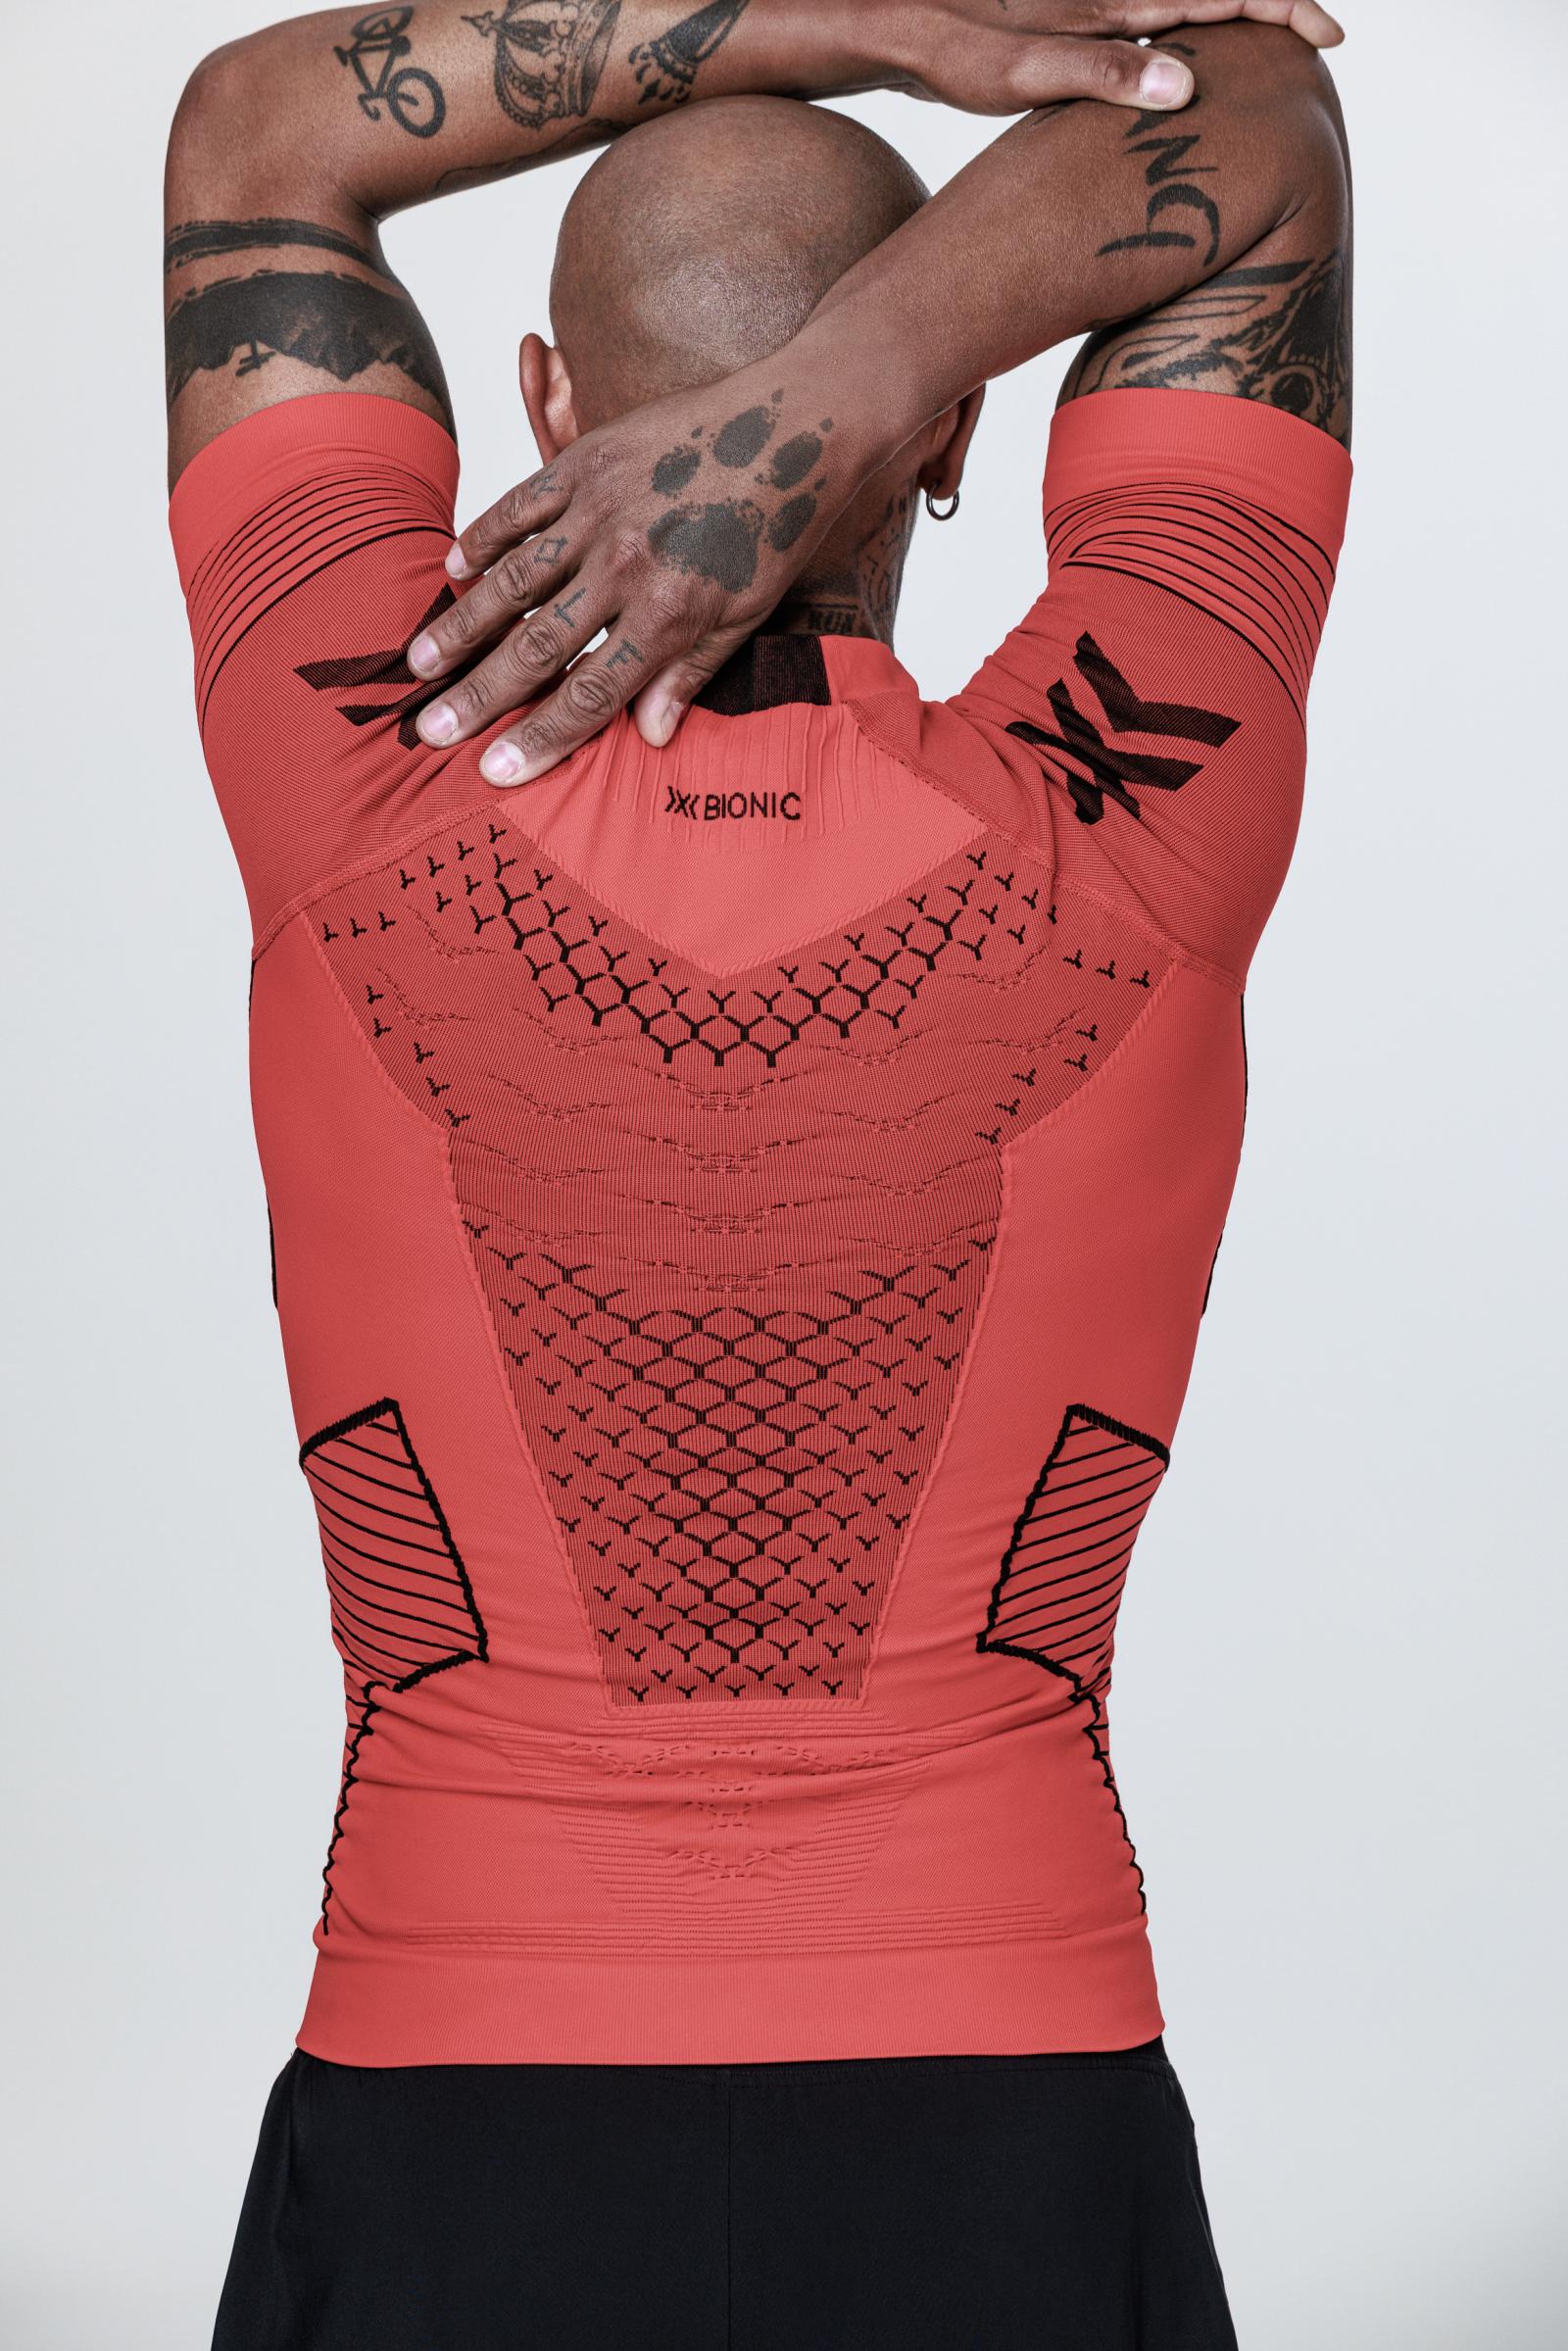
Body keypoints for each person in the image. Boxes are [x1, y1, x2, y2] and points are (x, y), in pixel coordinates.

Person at [165, 4, 1351, 2343]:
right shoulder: (1131, 819)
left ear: (543, 410)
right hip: (1007, 2108)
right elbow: (1264, 110)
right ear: (956, 439)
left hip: (449, 2109)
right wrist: (847, 386)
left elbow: (257, 133)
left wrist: (869, 16)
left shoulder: (362, 783)